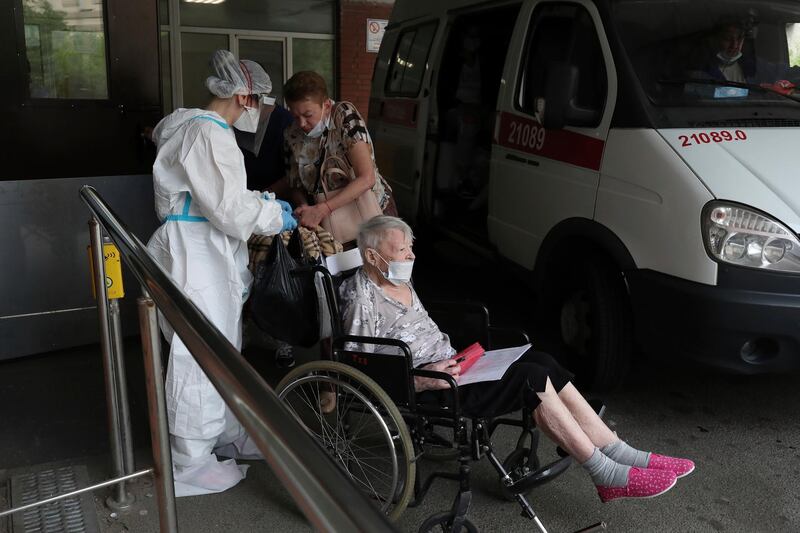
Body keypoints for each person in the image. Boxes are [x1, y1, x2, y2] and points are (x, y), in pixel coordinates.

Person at [339, 216, 695, 503]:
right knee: (531, 380)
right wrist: (424, 377)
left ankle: (622, 453)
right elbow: (361, 365)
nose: (411, 257)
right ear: (373, 256)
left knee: (542, 361)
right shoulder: (361, 298)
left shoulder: (397, 278)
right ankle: (605, 473)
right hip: (430, 385)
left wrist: (449, 360)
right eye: (402, 251)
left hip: (453, 366)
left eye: (410, 248)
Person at [146, 49, 297, 497]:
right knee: (200, 354)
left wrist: (264, 205)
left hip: (204, 247)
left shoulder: (200, 130)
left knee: (223, 348)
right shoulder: (208, 134)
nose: (261, 111)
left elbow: (220, 198)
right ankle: (189, 460)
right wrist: (272, 216)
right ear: (243, 96)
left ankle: (225, 432)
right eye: (260, 102)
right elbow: (229, 209)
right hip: (196, 252)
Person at [279, 71, 397, 240]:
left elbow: (367, 177)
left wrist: (323, 208)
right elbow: (295, 184)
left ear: (326, 105)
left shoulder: (344, 116)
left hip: (372, 211)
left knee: (382, 263)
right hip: (332, 223)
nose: (302, 124)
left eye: (308, 115)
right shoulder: (291, 134)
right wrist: (304, 207)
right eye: (295, 116)